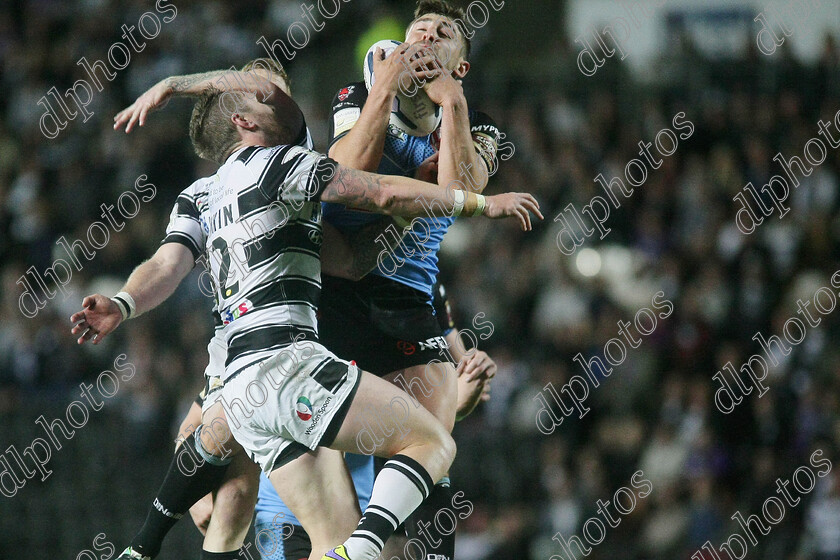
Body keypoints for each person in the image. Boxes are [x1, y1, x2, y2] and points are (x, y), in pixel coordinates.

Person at [73, 75, 540, 560]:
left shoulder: (202, 195)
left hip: (240, 384)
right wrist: (479, 203)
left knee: (307, 532)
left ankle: (143, 545)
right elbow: (379, 192)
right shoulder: (283, 165)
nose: (283, 96)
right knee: (433, 445)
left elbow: (170, 265)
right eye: (268, 92)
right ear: (245, 119)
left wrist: (124, 302)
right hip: (286, 364)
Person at [322, 1, 500, 557]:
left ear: (459, 65)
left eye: (443, 33)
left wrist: (453, 105)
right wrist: (382, 90)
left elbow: (459, 198)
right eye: (417, 30)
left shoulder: (479, 129)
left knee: (430, 447)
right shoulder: (356, 96)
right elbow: (343, 175)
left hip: (405, 299)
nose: (426, 36)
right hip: (335, 290)